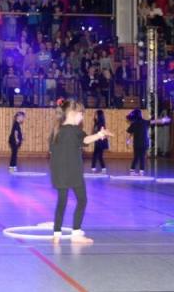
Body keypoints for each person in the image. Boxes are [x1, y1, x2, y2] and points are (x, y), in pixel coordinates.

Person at [49, 99, 109, 244]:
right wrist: (99, 135)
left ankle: (56, 234)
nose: (82, 117)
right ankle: (76, 233)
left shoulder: (56, 131)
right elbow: (86, 140)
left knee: (61, 202)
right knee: (82, 200)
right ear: (72, 113)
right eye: (81, 114)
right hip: (74, 172)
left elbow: (51, 152)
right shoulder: (74, 130)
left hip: (59, 173)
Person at [126, 109, 170, 175]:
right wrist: (163, 120)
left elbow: (129, 133)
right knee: (142, 157)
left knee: (136, 157)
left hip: (137, 144)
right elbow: (155, 121)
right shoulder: (145, 122)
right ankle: (141, 171)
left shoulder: (134, 124)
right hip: (144, 143)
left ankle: (132, 170)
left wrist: (128, 140)